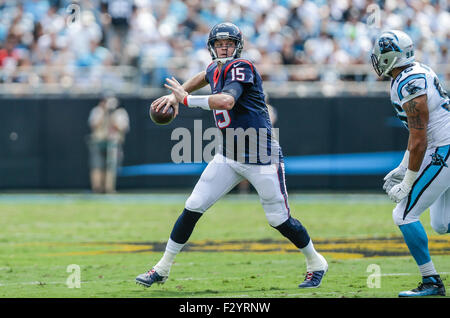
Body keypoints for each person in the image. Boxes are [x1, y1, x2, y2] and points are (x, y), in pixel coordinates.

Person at [136, 22, 328, 289]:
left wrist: (187, 100)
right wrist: (175, 96)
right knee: (193, 205)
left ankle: (316, 262)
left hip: (262, 156)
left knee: (279, 220)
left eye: (228, 44)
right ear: (212, 47)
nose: (223, 48)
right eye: (218, 44)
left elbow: (226, 101)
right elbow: (205, 74)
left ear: (237, 47)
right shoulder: (216, 68)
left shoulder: (242, 67)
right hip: (229, 154)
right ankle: (162, 268)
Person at [371, 30, 449, 297]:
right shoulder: (409, 74)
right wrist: (403, 166)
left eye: (381, 52)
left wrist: (408, 181)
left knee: (404, 214)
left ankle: (431, 282)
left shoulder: (410, 82)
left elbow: (419, 139)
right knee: (441, 224)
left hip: (445, 148)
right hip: (441, 144)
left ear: (392, 55)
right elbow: (416, 135)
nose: (377, 57)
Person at [87, 95, 129, 194]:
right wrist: (104, 113)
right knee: (96, 166)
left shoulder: (120, 113)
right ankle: (97, 189)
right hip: (98, 141)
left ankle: (109, 189)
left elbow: (122, 128)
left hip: (113, 143)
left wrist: (112, 116)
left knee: (111, 167)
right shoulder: (97, 111)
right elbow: (94, 125)